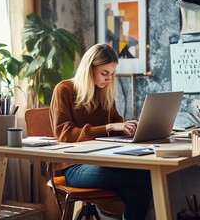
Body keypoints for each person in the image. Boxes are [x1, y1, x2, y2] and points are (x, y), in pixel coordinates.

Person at [49, 43, 152, 220]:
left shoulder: (104, 94)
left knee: (140, 189)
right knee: (146, 175)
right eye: (105, 73)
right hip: (73, 167)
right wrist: (108, 127)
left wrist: (131, 128)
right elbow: (65, 134)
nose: (109, 79)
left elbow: (117, 124)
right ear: (89, 69)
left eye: (112, 74)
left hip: (105, 161)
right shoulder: (64, 90)